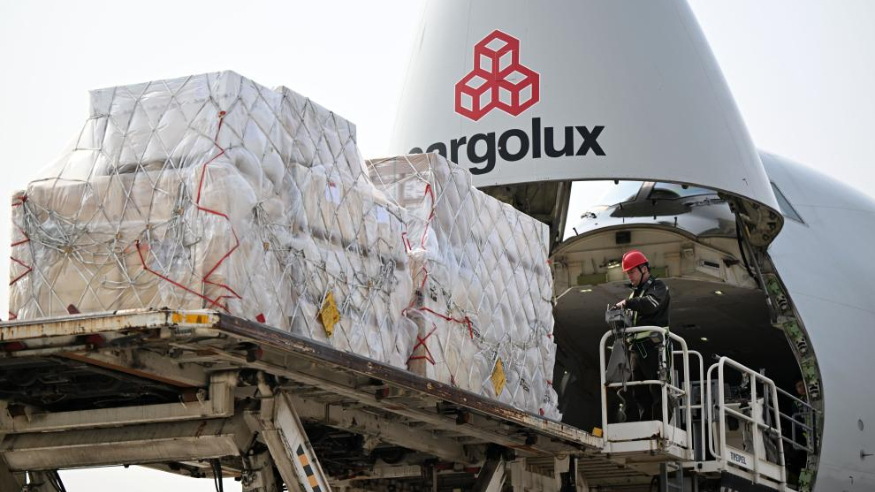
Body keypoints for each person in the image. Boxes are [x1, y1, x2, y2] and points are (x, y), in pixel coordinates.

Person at [613, 250, 671, 421]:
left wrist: (627, 303)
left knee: (657, 389)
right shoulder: (635, 294)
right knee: (638, 392)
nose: (629, 276)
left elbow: (650, 304)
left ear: (644, 269)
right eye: (628, 273)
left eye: (632, 272)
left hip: (655, 347)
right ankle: (645, 426)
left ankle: (660, 425)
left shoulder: (658, 287)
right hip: (636, 351)